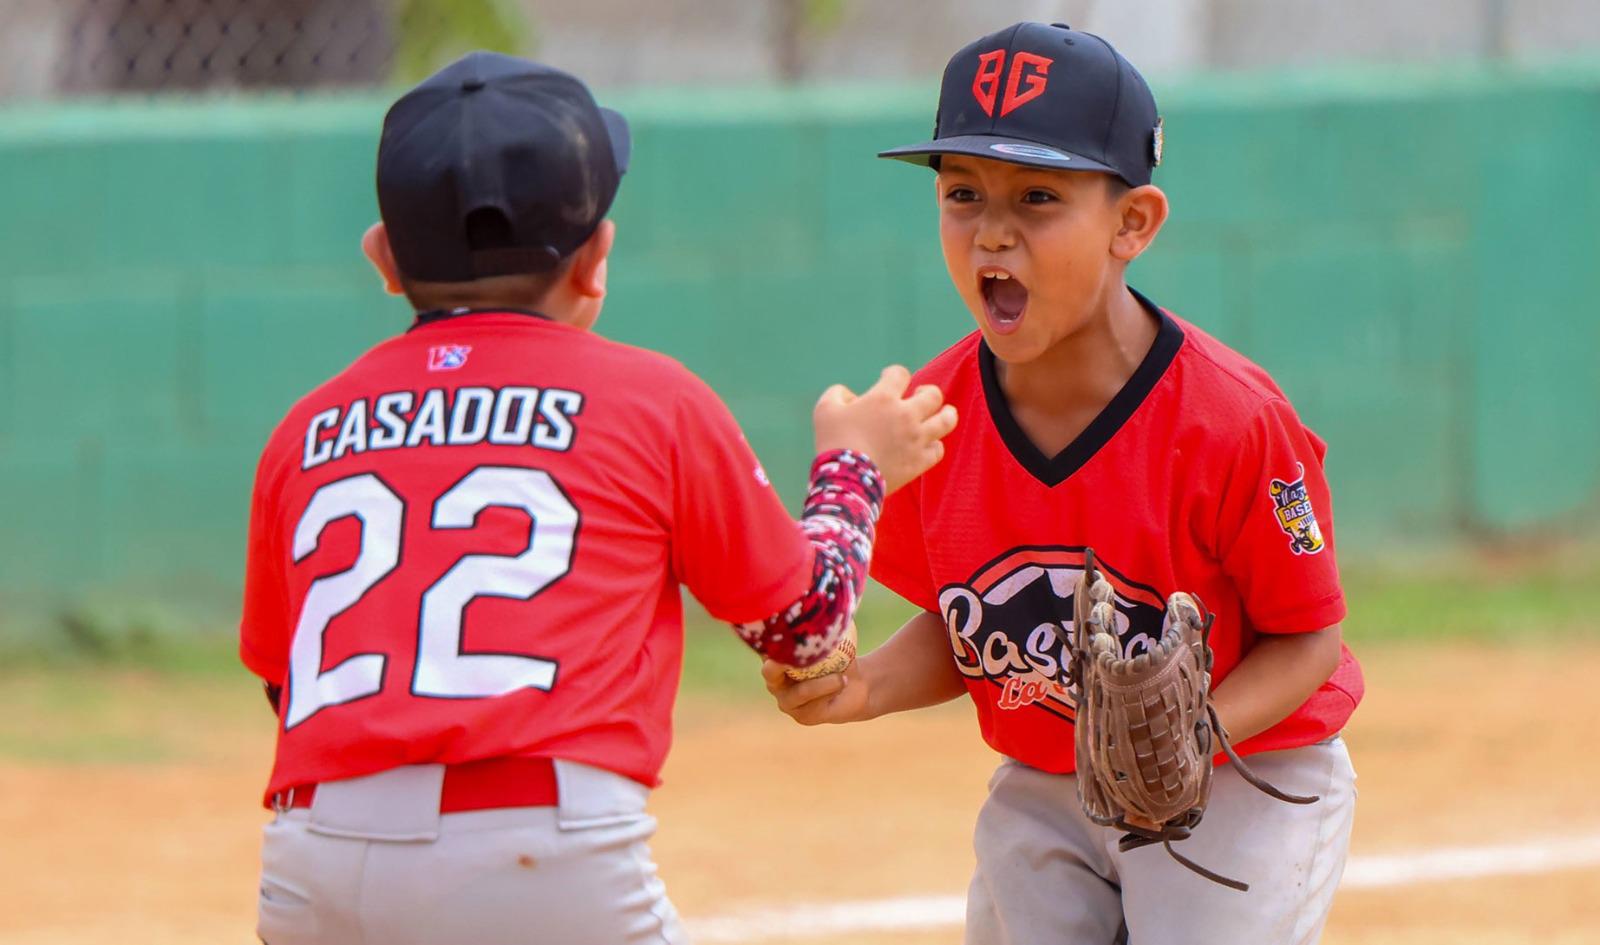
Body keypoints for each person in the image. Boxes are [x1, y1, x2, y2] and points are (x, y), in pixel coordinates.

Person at [239, 51, 956, 945]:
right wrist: (857, 468)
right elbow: (805, 624)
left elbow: (289, 683)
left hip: (315, 858)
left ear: (383, 259)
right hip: (540, 853)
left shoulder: (306, 429)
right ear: (595, 259)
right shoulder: (650, 400)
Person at [763, 22, 1363, 945]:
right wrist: (864, 687)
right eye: (963, 193)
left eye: (1038, 195)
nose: (992, 229)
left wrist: (1193, 732)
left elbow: (1308, 640)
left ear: (1134, 224)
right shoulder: (936, 413)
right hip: (1047, 779)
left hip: (1246, 767)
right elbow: (969, 619)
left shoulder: (1234, 419)